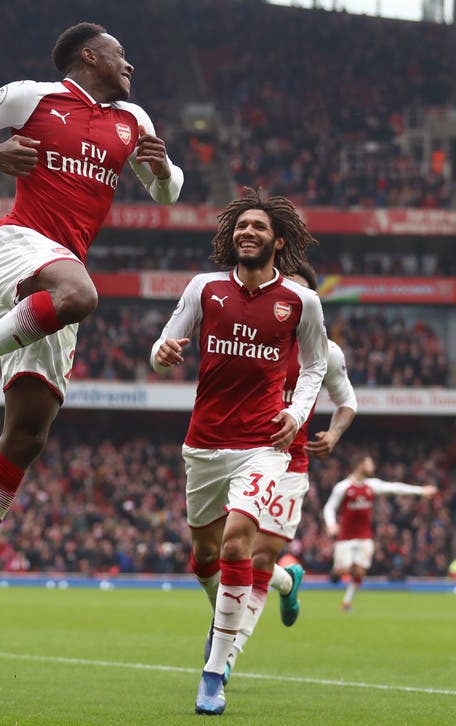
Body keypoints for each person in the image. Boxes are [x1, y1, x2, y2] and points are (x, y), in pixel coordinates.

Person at [0, 22, 183, 648]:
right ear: (91, 57)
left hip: (58, 274)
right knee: (82, 295)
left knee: (27, 436)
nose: (130, 66)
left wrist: (164, 167)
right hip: (17, 244)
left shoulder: (133, 120)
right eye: (121, 55)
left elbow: (168, 196)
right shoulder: (33, 97)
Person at [150, 188, 328, 715]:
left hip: (262, 447)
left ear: (277, 240)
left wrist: (295, 416)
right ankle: (227, 622)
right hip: (203, 443)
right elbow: (164, 350)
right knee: (204, 558)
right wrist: (162, 354)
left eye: (257, 227)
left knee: (234, 549)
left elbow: (315, 366)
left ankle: (214, 672)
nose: (247, 232)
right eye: (241, 226)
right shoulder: (204, 289)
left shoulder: (301, 302)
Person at [225, 261, 357, 679]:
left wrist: (334, 435)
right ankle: (287, 582)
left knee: (259, 555)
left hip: (288, 464)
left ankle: (227, 656)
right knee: (219, 553)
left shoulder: (326, 351)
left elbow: (346, 401)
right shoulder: (252, 338)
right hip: (238, 455)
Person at [323, 454, 437, 611]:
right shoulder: (343, 487)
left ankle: (347, 602)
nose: (373, 467)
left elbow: (395, 488)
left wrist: (420, 491)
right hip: (345, 537)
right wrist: (331, 524)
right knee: (343, 570)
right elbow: (329, 507)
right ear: (360, 465)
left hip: (365, 536)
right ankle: (336, 572)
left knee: (360, 571)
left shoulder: (372, 485)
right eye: (370, 463)